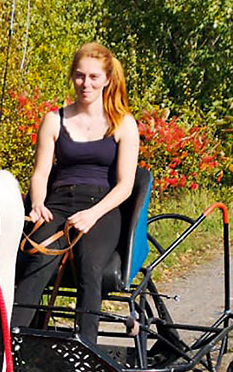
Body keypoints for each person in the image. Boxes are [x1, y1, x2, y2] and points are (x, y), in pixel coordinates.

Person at [10, 42, 140, 342]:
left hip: (102, 208)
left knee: (89, 264)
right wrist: (38, 203)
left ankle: (86, 349)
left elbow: (125, 185)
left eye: (94, 77)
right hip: (57, 203)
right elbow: (41, 172)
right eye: (80, 76)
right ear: (72, 76)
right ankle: (13, 344)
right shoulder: (54, 120)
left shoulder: (123, 124)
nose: (86, 84)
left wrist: (92, 215)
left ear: (107, 79)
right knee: (37, 259)